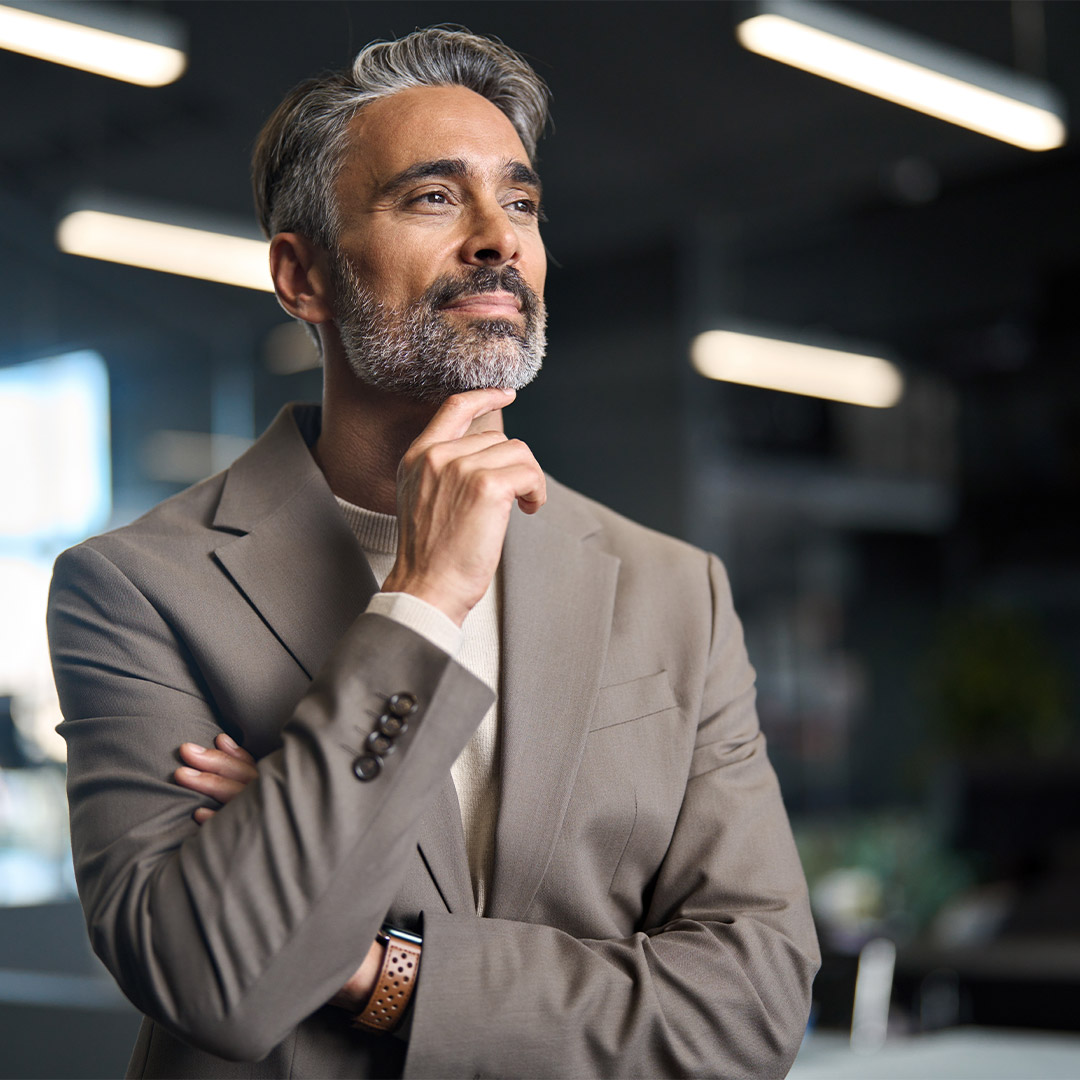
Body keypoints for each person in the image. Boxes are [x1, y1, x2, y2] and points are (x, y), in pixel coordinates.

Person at [47, 26, 819, 1080]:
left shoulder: (678, 590)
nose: (499, 238)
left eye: (522, 202)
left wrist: (377, 966)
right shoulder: (135, 588)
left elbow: (754, 1009)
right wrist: (422, 596)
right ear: (302, 276)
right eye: (434, 197)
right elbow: (217, 977)